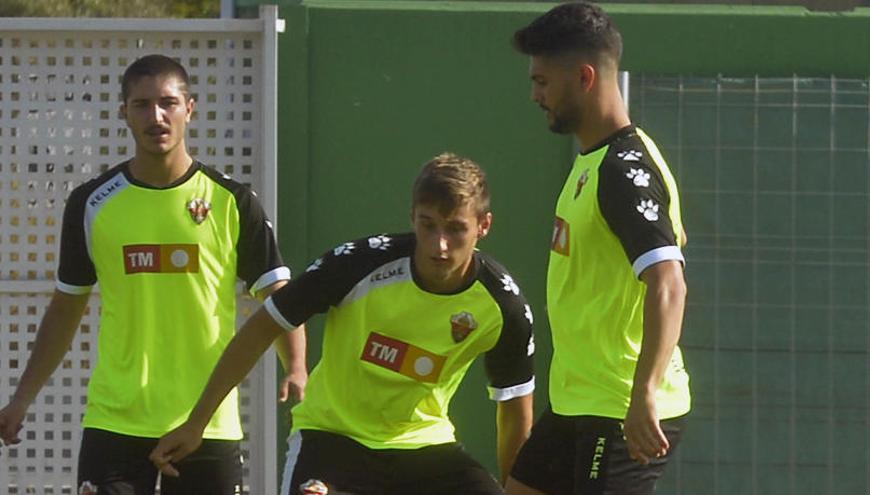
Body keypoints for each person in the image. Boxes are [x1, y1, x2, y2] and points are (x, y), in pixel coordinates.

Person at [0, 54, 306, 494]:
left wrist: (296, 366)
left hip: (207, 422)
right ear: (123, 113)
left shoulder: (232, 202)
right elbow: (66, 307)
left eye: (168, 103)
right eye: (141, 105)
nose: (156, 116)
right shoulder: (91, 203)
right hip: (116, 420)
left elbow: (278, 295)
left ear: (189, 109)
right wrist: (22, 398)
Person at [149, 153, 536, 495]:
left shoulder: (502, 305)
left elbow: (515, 405)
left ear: (483, 226)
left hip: (424, 449)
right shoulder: (359, 263)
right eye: (428, 224)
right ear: (412, 217)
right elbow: (262, 327)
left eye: (455, 229)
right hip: (332, 441)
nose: (439, 245)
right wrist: (196, 423)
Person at [506, 3, 690, 494]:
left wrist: (644, 392)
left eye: (543, 81)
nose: (535, 95)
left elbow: (669, 282)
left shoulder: (624, 173)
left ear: (584, 77)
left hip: (619, 410)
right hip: (575, 403)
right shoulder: (591, 162)